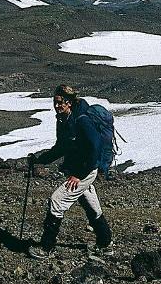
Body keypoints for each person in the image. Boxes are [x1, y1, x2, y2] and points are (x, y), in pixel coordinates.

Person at [27, 85, 113, 258]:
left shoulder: (82, 120)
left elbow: (95, 147)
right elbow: (61, 147)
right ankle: (105, 243)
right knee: (91, 207)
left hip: (84, 172)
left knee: (56, 201)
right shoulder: (63, 120)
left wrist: (79, 175)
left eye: (60, 102)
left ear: (69, 102)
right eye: (55, 102)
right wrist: (39, 161)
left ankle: (46, 248)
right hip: (79, 170)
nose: (57, 105)